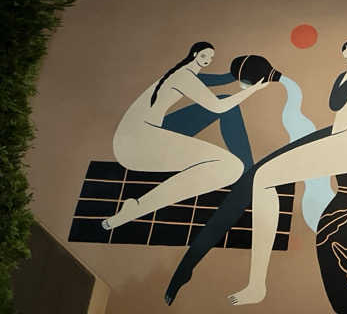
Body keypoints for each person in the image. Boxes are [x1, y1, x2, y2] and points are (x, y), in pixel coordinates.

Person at [164, 40, 347, 306]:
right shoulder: (343, 76)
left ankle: (251, 283)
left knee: (259, 179)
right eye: (346, 54)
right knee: (255, 177)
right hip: (337, 135)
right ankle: (213, 271)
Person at [101, 41, 269, 231]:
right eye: (204, 56)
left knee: (226, 106)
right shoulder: (184, 77)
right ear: (195, 53)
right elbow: (217, 107)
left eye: (211, 58)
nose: (207, 61)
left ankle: (250, 174)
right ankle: (137, 208)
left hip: (137, 136)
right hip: (138, 144)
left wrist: (241, 72)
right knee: (231, 166)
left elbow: (215, 80)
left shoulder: (182, 73)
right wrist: (254, 89)